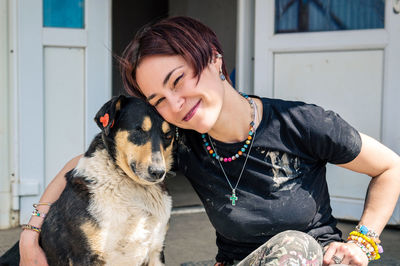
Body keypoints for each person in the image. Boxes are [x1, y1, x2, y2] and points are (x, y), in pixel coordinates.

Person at [19, 16, 400, 266]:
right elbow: (81, 164)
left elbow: (389, 167)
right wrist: (30, 234)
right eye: (158, 101)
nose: (176, 104)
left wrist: (362, 241)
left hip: (310, 258)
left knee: (295, 246)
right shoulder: (181, 141)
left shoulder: (299, 122)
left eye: (178, 81)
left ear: (215, 60)